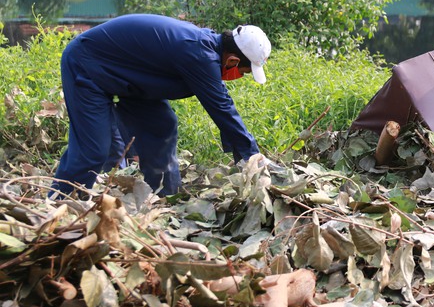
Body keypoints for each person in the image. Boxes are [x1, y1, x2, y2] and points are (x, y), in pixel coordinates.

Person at [49, 14, 272, 198]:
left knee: (161, 124)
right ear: (232, 61)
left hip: (131, 78)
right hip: (88, 65)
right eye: (243, 72)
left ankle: (165, 196)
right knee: (93, 150)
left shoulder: (204, 49)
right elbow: (222, 108)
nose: (239, 77)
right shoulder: (199, 54)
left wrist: (245, 153)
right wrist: (253, 157)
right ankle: (60, 207)